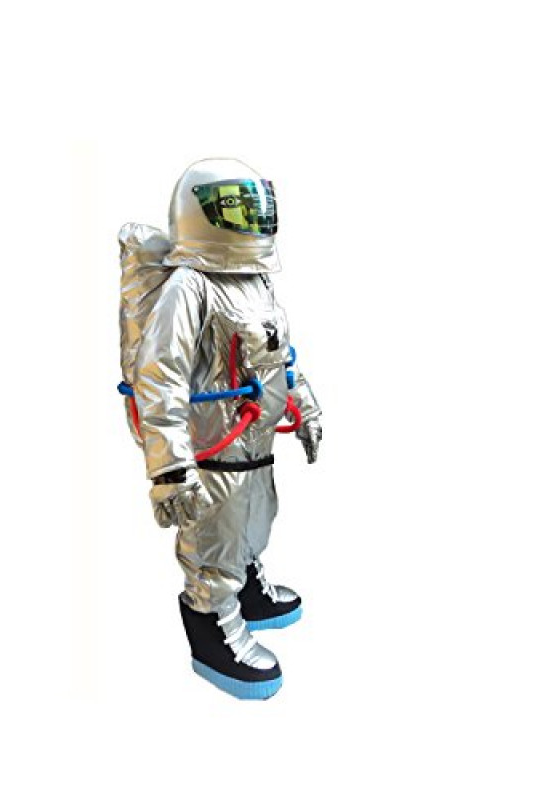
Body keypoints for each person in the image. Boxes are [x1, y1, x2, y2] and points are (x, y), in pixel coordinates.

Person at [124, 158, 322, 699]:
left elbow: (281, 357)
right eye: (237, 207)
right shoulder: (188, 286)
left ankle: (246, 586)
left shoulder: (255, 280)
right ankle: (211, 622)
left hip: (254, 444)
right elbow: (160, 376)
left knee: (254, 518)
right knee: (214, 537)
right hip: (215, 448)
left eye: (256, 206)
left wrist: (304, 407)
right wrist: (169, 468)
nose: (252, 218)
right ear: (203, 212)